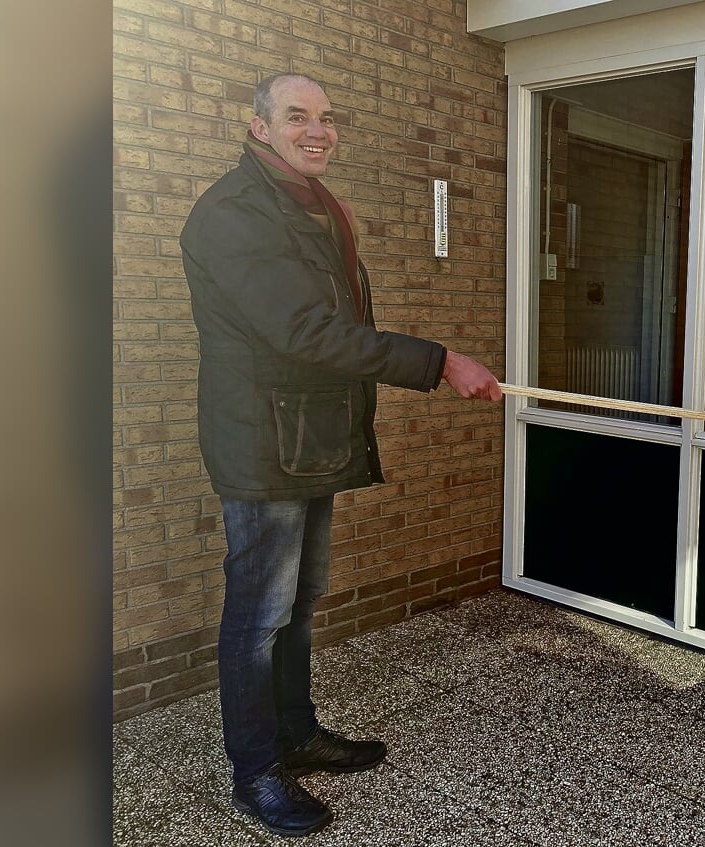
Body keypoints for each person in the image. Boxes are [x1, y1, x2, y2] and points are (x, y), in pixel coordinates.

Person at [180, 73, 501, 837]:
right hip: (263, 444)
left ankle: (297, 733)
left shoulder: (313, 207)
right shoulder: (234, 213)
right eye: (298, 117)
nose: (318, 130)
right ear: (258, 127)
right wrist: (440, 360)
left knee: (297, 602)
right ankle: (255, 772)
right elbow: (305, 332)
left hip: (312, 437)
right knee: (258, 616)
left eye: (327, 118)